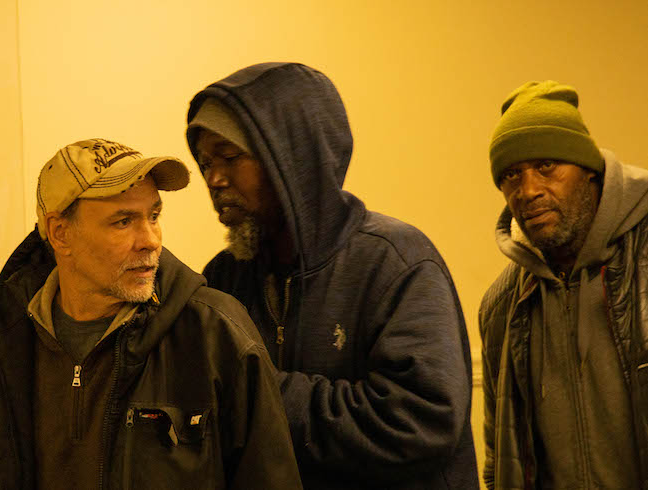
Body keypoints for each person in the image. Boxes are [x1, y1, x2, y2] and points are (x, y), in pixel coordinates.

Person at [0, 138, 302, 489]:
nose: (150, 240)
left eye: (153, 215)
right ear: (59, 233)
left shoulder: (216, 334)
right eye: (123, 222)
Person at [185, 62, 478, 489]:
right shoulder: (225, 278)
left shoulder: (396, 262)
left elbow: (420, 424)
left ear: (292, 158)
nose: (213, 178)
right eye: (205, 161)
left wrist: (262, 395)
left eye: (231, 157)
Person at [479, 80, 648, 489]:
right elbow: (499, 459)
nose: (529, 190)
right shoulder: (502, 305)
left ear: (588, 167)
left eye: (547, 166)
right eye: (512, 175)